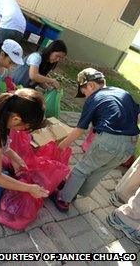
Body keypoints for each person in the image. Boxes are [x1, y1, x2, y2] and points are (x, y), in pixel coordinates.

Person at [51, 68, 140, 212]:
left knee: (82, 169)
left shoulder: (94, 98)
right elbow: (138, 116)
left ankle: (64, 199)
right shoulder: (122, 92)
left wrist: (61, 146)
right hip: (131, 143)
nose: (85, 96)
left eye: (84, 91)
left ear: (91, 85)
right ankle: (76, 192)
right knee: (100, 171)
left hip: (109, 140)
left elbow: (80, 129)